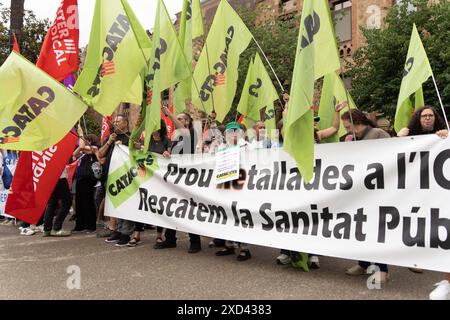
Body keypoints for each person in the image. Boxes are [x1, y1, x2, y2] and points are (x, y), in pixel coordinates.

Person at [396, 106, 449, 299]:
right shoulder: (409, 136)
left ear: (436, 118)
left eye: (431, 116)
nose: (427, 119)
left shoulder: (444, 136)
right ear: (418, 119)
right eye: (424, 116)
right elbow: (391, 157)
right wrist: (398, 137)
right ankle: (417, 259)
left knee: (443, 230)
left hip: (438, 192)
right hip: (413, 193)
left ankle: (446, 280)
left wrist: (447, 137)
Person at [342, 109, 391, 284]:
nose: (347, 129)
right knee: (361, 229)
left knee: (376, 231)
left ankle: (382, 269)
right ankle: (362, 264)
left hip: (377, 190)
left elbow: (393, 156)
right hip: (360, 192)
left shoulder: (378, 134)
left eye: (348, 126)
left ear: (357, 121)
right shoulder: (352, 138)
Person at [153, 105, 203, 253]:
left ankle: (195, 241)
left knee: (189, 208)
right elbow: (173, 154)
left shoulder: (191, 133)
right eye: (178, 118)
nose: (177, 121)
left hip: (189, 177)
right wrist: (168, 153)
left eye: (181, 118)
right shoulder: (175, 139)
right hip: (175, 177)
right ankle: (170, 239)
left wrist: (168, 113)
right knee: (170, 206)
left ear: (187, 122)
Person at [128, 119, 171, 247]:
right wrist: (137, 147)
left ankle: (159, 234)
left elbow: (170, 155)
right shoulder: (146, 141)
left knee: (158, 206)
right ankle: (137, 234)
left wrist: (167, 153)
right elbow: (135, 149)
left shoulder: (166, 140)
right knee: (142, 204)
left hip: (160, 179)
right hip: (146, 178)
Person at [215, 122, 252, 261]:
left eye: (236, 131)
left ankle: (244, 248)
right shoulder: (222, 147)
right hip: (226, 185)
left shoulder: (248, 147)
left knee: (241, 216)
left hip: (242, 186)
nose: (233, 134)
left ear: (241, 133)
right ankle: (229, 244)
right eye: (230, 131)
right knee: (227, 215)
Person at [72, 128, 100, 233]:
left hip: (89, 178)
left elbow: (82, 146)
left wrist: (81, 134)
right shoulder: (83, 151)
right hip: (80, 178)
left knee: (88, 201)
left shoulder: (95, 148)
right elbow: (75, 154)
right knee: (79, 202)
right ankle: (80, 224)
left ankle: (90, 225)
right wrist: (80, 147)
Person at [42, 167, 72, 237]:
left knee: (52, 203)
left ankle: (47, 229)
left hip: (49, 177)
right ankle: (56, 228)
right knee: (66, 202)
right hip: (59, 177)